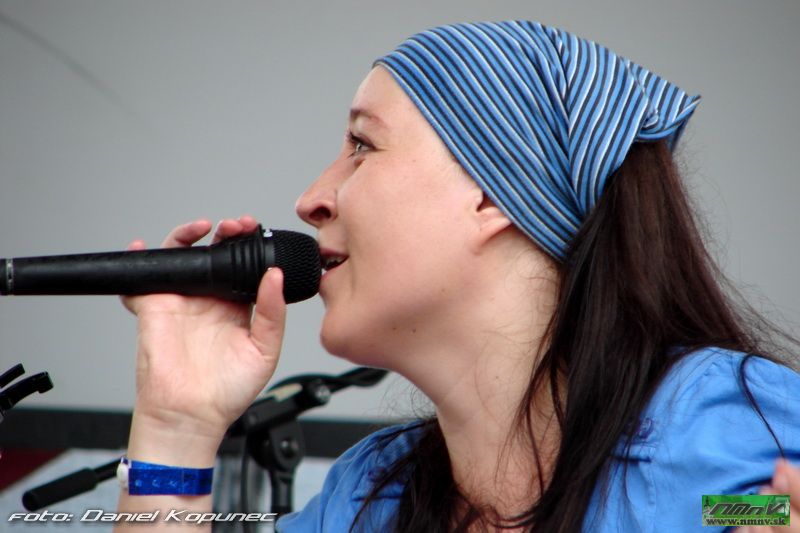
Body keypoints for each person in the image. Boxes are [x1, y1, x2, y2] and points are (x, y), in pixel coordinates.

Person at [115, 21, 800, 532]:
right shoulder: (366, 500)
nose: (311, 199)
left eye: (362, 145)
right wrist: (176, 429)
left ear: (496, 190)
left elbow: (740, 508)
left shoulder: (715, 435)